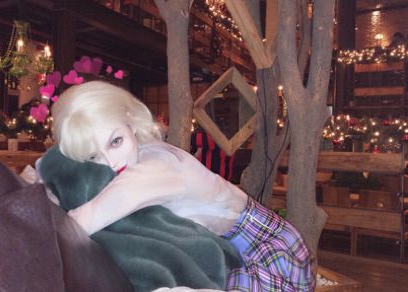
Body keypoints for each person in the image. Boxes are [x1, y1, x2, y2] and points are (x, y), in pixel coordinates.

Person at [51, 81, 315, 291]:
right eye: (94, 156)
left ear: (129, 119)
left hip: (276, 259)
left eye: (115, 142)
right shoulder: (141, 153)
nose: (111, 162)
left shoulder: (157, 165)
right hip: (233, 255)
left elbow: (82, 222)